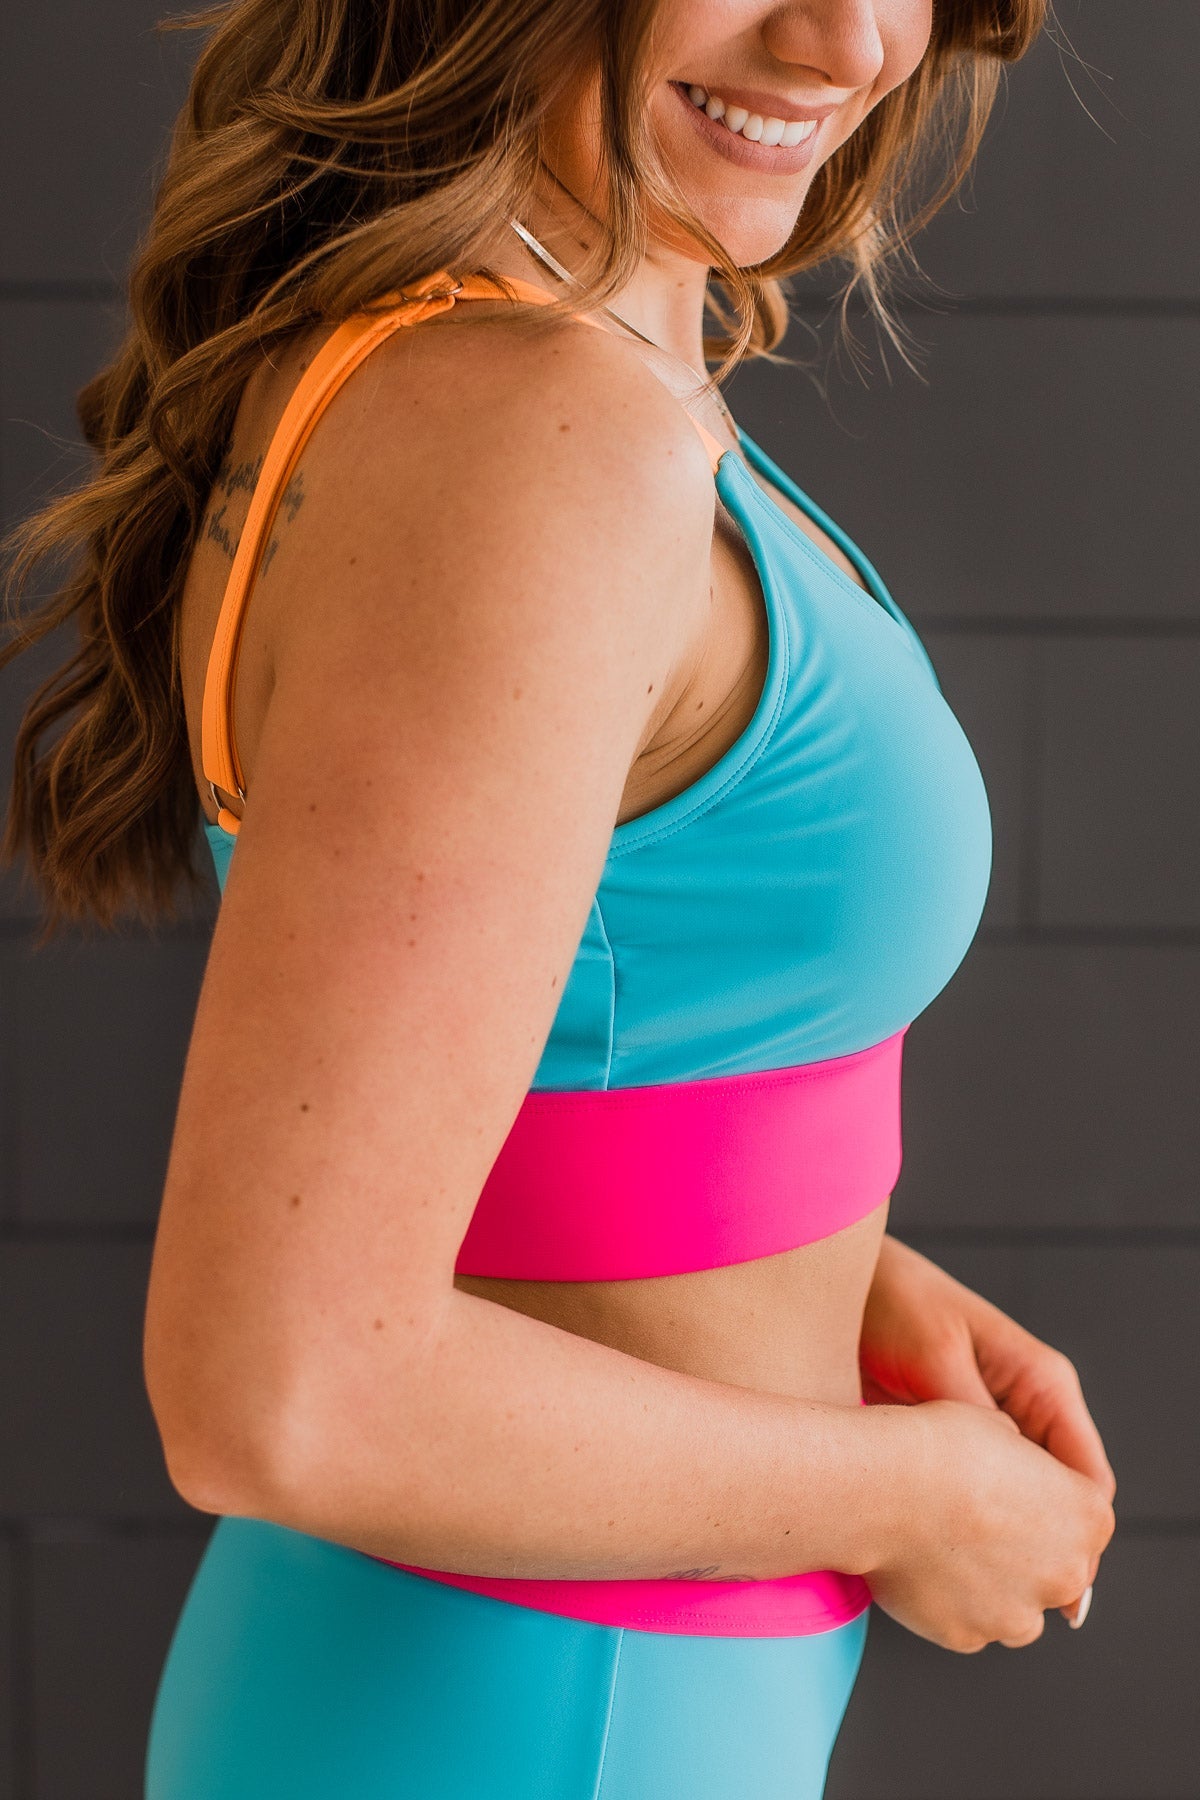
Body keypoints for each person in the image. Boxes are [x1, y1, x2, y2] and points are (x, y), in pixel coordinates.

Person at [1, 1, 1117, 1795]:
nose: (845, 38)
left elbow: (580, 1031)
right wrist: (922, 1498)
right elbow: (287, 1386)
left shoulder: (545, 366)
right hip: (527, 1719)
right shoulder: (535, 439)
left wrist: (838, 1280)